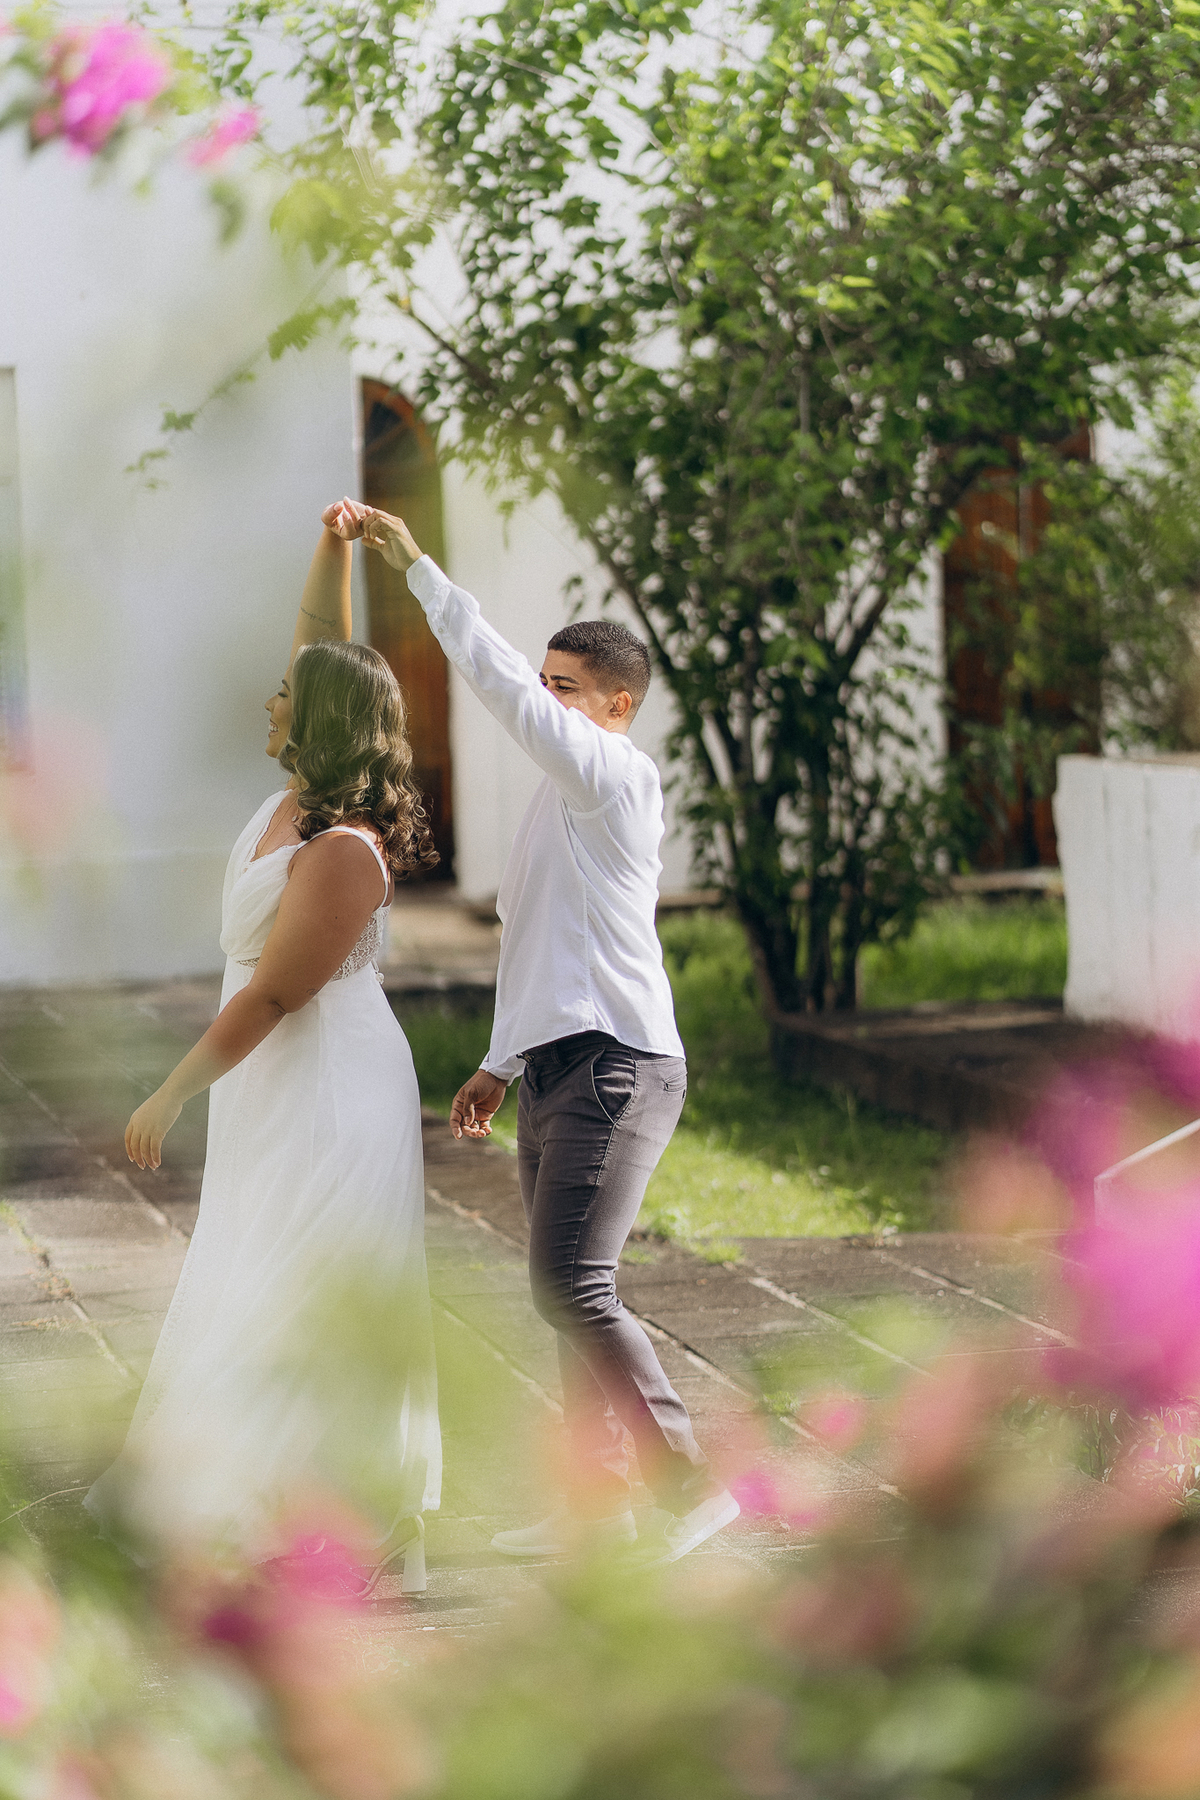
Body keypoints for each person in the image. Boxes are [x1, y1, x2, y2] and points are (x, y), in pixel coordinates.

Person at [358, 506, 739, 1564]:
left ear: (618, 707)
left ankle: (689, 1489)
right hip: (560, 1066)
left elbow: (497, 687)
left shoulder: (615, 778)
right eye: (547, 682)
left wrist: (423, 574)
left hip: (620, 1067)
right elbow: (546, 950)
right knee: (569, 1291)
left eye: (565, 690)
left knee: (571, 1283)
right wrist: (497, 1064)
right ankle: (598, 1504)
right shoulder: (557, 805)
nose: (545, 702)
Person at [86, 501, 441, 1592]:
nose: (271, 696)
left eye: (289, 695)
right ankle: (239, 1479)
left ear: (320, 723)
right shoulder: (297, 797)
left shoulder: (342, 849)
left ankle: (335, 1510)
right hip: (274, 1085)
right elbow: (316, 646)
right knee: (248, 1259)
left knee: (309, 1271)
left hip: (326, 1084)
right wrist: (334, 544)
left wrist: (172, 1090)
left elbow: (279, 995)